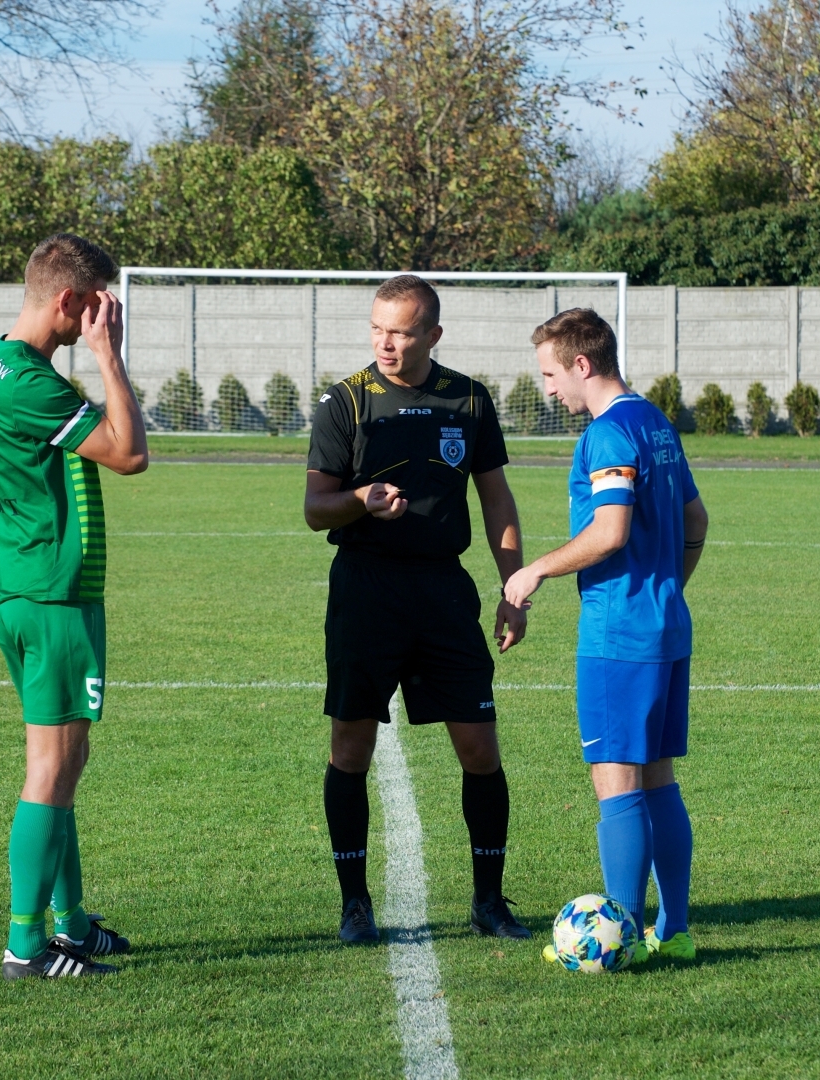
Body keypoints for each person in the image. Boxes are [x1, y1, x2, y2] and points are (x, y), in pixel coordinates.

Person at [304, 274, 531, 945]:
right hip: (365, 590)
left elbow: (496, 499)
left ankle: (488, 902)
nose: (386, 343)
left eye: (401, 332)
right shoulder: (345, 402)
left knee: (480, 748)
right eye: (378, 329)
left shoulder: (469, 398)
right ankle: (354, 904)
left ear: (432, 334)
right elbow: (315, 508)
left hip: (442, 593)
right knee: (351, 747)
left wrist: (512, 588)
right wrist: (361, 500)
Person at [0, 233, 148, 979]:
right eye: (98, 304)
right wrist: (109, 357)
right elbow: (129, 453)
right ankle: (26, 945)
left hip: (19, 585)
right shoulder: (32, 385)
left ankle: (69, 924)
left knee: (64, 765)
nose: (103, 316)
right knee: (52, 769)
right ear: (69, 299)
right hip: (52, 595)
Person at [503, 308, 708, 966]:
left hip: (618, 635)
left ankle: (618, 941)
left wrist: (535, 569)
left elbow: (610, 531)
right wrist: (665, 586)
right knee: (658, 779)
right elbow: (696, 521)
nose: (548, 389)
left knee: (616, 779)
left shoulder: (608, 432)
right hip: (664, 627)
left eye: (549, 375)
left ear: (581, 365)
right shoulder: (655, 422)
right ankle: (673, 931)